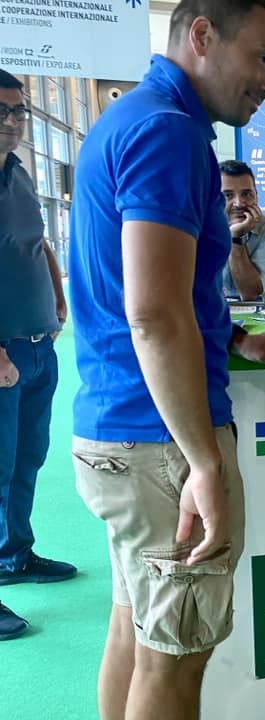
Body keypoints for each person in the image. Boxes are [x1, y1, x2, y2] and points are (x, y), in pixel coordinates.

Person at [67, 2, 265, 717]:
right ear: (201, 36)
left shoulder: (129, 120)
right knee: (174, 660)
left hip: (119, 430)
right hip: (162, 445)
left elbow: (157, 291)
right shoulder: (168, 134)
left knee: (138, 629)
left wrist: (236, 339)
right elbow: (152, 313)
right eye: (262, 59)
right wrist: (203, 462)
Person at [0, 69, 76, 642]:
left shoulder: (20, 175)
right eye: (2, 111)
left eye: (19, 111)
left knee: (27, 459)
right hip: (2, 352)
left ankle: (14, 555)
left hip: (37, 343)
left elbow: (39, 242)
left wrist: (56, 293)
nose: (13, 121)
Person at [220, 159, 265, 303]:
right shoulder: (197, 229)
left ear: (257, 196)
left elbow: (250, 294)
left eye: (247, 194)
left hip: (255, 317)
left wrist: (235, 238)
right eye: (228, 195)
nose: (239, 203)